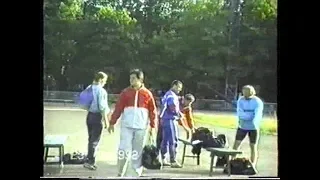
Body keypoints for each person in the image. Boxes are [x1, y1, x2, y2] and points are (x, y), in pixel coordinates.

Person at [108, 69, 158, 177]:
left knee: (137, 152)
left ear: (140, 79)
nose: (131, 80)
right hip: (127, 126)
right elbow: (118, 108)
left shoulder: (147, 94)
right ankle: (120, 171)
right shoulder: (125, 93)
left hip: (141, 127)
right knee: (123, 150)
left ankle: (135, 174)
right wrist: (112, 122)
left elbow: (153, 111)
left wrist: (153, 126)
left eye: (133, 78)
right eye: (130, 78)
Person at [159, 80, 191, 168]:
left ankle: (163, 158)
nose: (179, 90)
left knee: (165, 140)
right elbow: (172, 107)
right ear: (174, 85)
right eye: (178, 87)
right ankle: (173, 160)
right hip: (170, 119)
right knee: (173, 140)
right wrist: (179, 114)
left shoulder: (168, 94)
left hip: (165, 119)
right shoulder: (171, 96)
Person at [83, 71, 110, 170]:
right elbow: (102, 107)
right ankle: (90, 161)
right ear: (102, 80)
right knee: (95, 140)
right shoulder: (101, 91)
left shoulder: (88, 88)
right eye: (105, 81)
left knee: (90, 139)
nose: (105, 83)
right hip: (97, 116)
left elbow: (84, 103)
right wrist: (106, 120)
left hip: (89, 115)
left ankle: (88, 159)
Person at [233, 85, 264, 169]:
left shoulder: (257, 101)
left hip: (253, 127)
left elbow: (257, 115)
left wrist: (248, 116)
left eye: (247, 92)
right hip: (242, 126)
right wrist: (248, 115)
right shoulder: (241, 100)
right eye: (244, 92)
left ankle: (253, 164)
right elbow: (240, 112)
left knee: (253, 146)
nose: (245, 94)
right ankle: (232, 161)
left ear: (251, 92)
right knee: (236, 144)